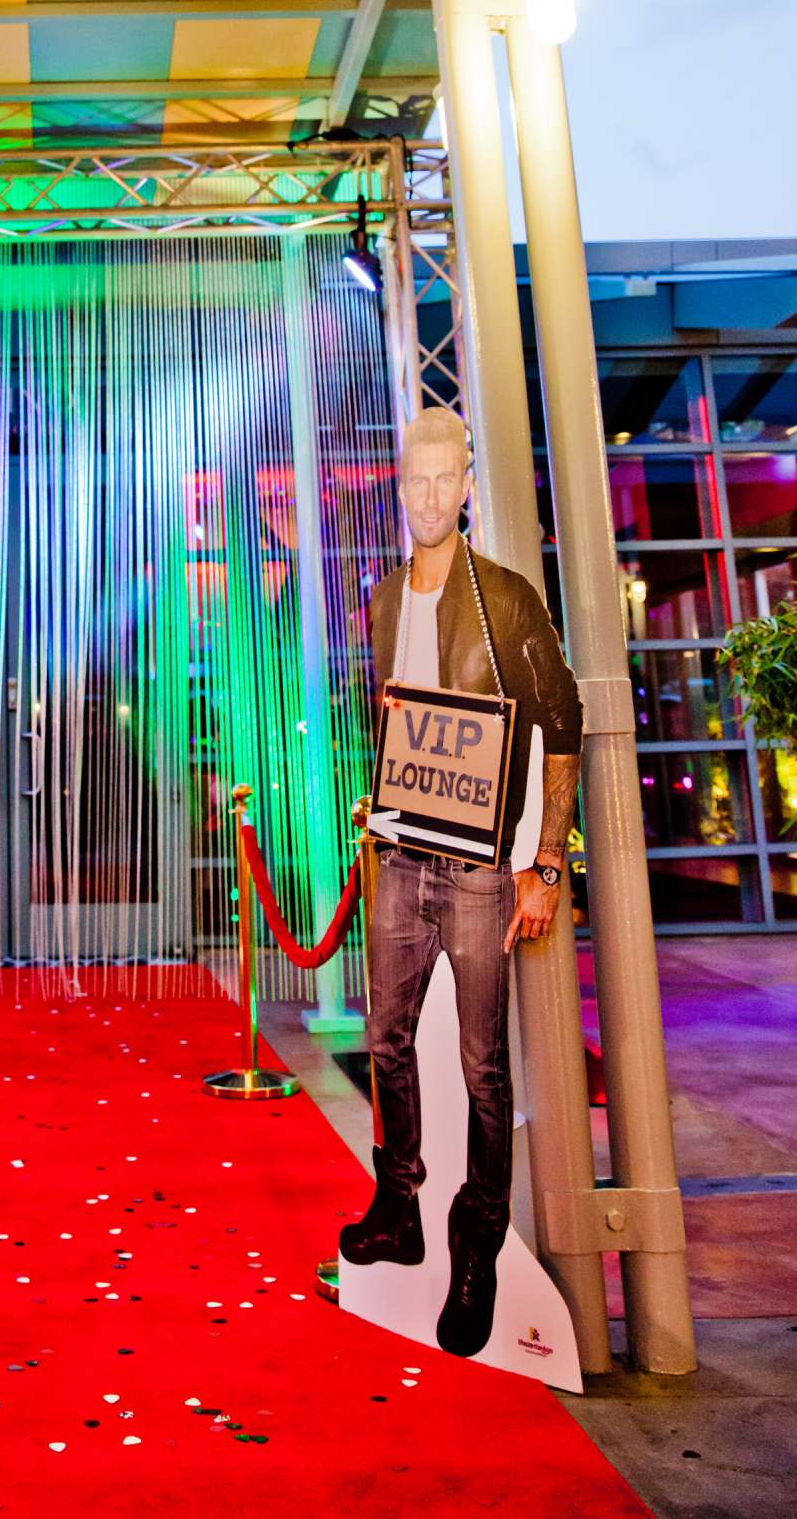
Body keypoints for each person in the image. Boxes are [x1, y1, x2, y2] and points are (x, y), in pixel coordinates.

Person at [338, 403, 583, 1358]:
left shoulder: (511, 598)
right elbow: (397, 725)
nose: (431, 496)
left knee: (486, 1069)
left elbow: (559, 728)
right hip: (399, 859)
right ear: (400, 490)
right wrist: (377, 797)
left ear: (468, 488)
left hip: (484, 872)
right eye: (416, 481)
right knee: (385, 1040)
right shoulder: (385, 597)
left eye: (447, 479)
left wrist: (546, 865)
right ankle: (398, 1204)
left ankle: (475, 1241)